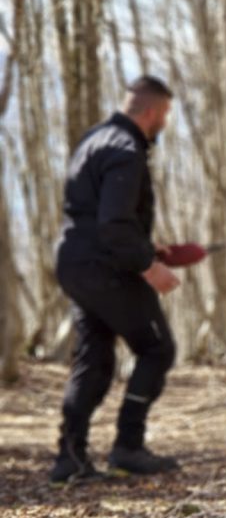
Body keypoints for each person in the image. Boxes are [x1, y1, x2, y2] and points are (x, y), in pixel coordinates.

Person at [50, 76, 181, 484]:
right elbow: (112, 224)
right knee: (156, 348)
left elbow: (98, 217)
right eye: (164, 117)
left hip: (76, 263)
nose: (163, 125)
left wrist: (146, 246)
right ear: (153, 112)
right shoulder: (126, 150)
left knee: (95, 361)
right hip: (105, 267)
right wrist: (148, 265)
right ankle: (127, 446)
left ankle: (69, 459)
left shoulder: (95, 139)